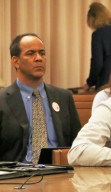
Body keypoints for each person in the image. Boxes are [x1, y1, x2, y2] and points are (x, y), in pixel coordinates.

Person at [0, 33, 81, 163]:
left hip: (58, 174)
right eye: (31, 53)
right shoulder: (2, 100)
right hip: (16, 177)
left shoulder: (63, 97)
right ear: (16, 61)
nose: (39, 58)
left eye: (42, 53)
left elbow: (78, 143)